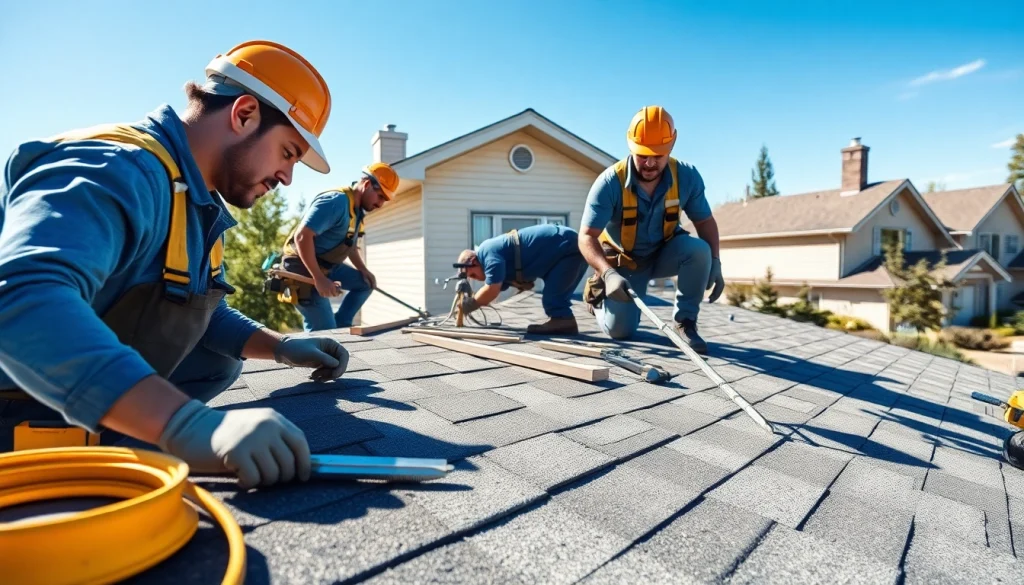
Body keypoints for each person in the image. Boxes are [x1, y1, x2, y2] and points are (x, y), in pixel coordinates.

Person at [0, 40, 350, 490]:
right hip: (20, 399)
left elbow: (196, 311)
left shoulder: (195, 201)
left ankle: (125, 427)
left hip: (77, 390)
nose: (287, 178)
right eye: (288, 153)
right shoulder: (119, 168)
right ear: (244, 114)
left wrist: (280, 346)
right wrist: (182, 424)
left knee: (219, 361)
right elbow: (20, 298)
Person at [578, 105, 724, 353]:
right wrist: (607, 273)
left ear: (671, 146)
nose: (649, 163)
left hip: (664, 254)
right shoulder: (609, 183)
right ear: (630, 146)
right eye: (642, 154)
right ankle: (604, 299)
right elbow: (586, 236)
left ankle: (684, 323)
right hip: (624, 266)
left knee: (699, 251)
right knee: (621, 332)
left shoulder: (687, 177)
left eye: (657, 155)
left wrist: (716, 261)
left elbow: (704, 222)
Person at [278, 162, 399, 331]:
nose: (380, 204)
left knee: (365, 284)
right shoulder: (336, 202)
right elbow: (302, 236)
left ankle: (341, 328)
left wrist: (363, 270)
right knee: (325, 334)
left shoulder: (357, 213)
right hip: (302, 268)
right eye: (380, 196)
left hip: (327, 266)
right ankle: (328, 334)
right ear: (366, 184)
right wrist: (319, 279)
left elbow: (350, 246)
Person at [457, 224, 588, 335]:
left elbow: (492, 289)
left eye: (473, 275)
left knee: (553, 297)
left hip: (566, 247)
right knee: (556, 291)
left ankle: (563, 320)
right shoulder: (491, 258)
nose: (477, 279)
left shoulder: (487, 252)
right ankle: (563, 321)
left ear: (474, 261)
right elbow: (496, 287)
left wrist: (471, 304)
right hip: (564, 247)